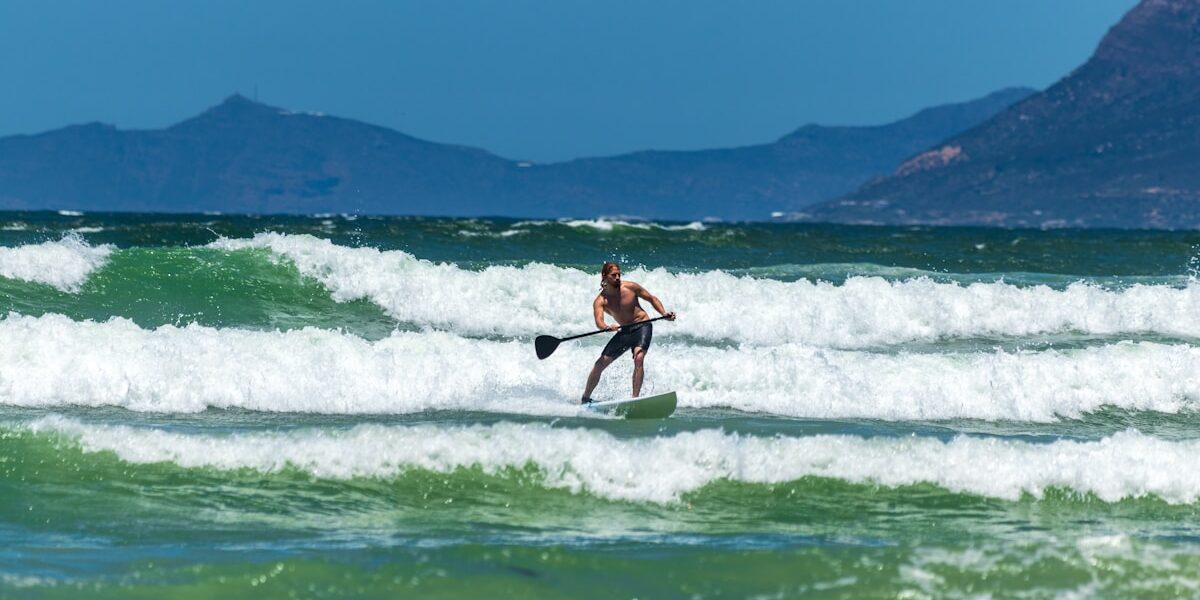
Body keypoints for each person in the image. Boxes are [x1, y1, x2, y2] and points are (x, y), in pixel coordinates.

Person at [581, 261, 676, 403]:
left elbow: (651, 298)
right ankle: (585, 398)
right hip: (625, 331)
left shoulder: (630, 287)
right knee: (600, 363)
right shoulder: (600, 301)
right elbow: (599, 322)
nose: (618, 277)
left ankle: (635, 399)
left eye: (619, 274)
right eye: (614, 275)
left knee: (639, 358)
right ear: (604, 276)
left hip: (643, 325)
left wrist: (664, 313)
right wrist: (606, 327)